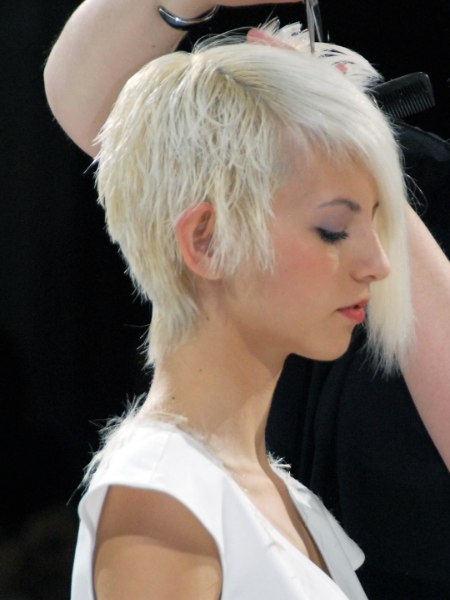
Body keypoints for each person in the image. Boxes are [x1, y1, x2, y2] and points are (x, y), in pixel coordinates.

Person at [44, 1, 450, 598]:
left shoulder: (287, 501)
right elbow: (101, 117)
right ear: (206, 238)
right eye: (335, 229)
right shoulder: (162, 501)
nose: (380, 264)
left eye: (381, 220)